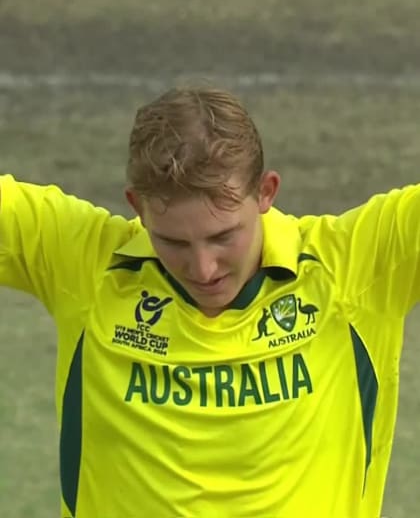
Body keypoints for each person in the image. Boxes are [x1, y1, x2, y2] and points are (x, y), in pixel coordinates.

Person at [0, 86, 418, 518]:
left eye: (223, 237)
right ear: (137, 207)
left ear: (266, 192)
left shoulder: (350, 270)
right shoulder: (87, 266)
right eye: (172, 241)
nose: (202, 269)